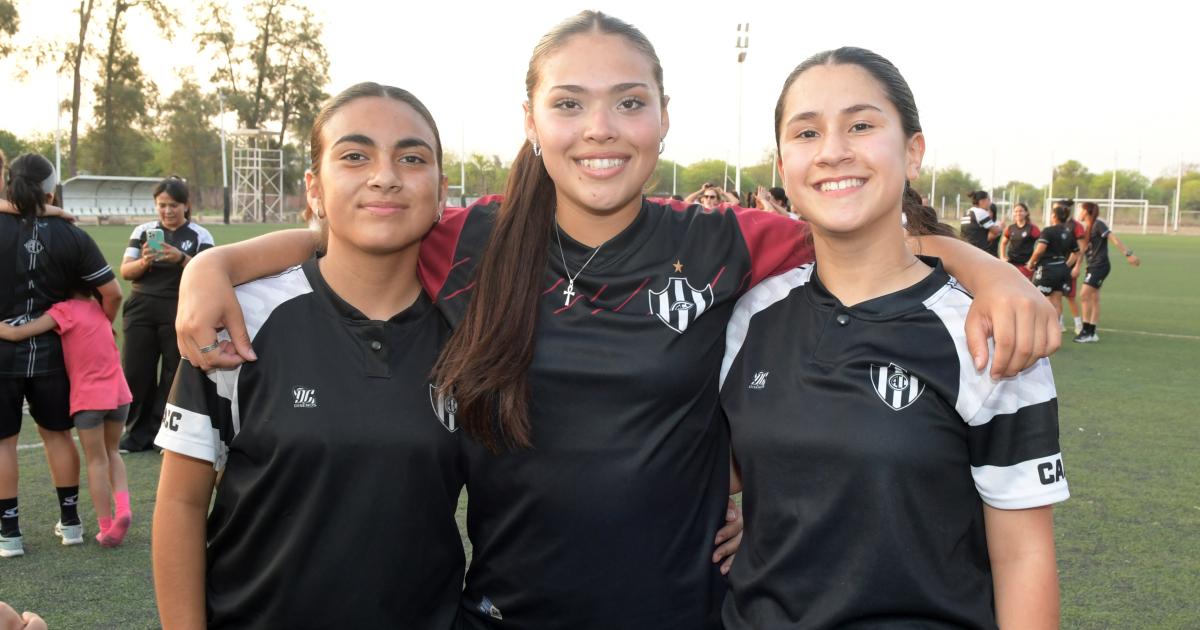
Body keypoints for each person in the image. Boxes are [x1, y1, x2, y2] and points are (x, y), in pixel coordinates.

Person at [173, 11, 1058, 628]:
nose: (600, 129)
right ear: (531, 121)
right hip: (504, 614)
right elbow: (360, 226)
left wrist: (989, 270)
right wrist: (217, 264)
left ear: (664, 120)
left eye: (630, 102)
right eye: (568, 104)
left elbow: (859, 231)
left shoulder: (725, 243)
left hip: (683, 615)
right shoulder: (472, 241)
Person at [721, 46, 1067, 629]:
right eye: (807, 132)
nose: (833, 150)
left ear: (913, 152)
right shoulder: (751, 315)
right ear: (783, 166)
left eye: (861, 125)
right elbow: (737, 466)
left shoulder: (985, 330)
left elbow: (1023, 557)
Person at [152, 83, 467, 628]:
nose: (385, 176)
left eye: (412, 158)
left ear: (442, 191)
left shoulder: (474, 332)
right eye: (355, 156)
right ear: (315, 189)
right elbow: (181, 503)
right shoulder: (239, 316)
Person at [1, 154, 122, 558]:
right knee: (57, 435)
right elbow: (112, 293)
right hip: (54, 351)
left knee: (3, 442)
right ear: (51, 191)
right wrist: (100, 327)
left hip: (2, 351)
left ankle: (9, 534)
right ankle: (71, 524)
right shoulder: (72, 233)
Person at [0, 286, 133, 548]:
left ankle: (106, 526)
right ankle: (122, 509)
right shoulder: (98, 308)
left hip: (90, 400)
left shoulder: (63, 311)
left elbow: (17, 333)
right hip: (120, 394)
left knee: (96, 461)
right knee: (112, 452)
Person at [117, 177, 214, 453]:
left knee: (173, 373)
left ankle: (166, 435)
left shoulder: (200, 235)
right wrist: (145, 260)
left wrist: (180, 258)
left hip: (178, 307)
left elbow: (208, 272)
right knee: (137, 371)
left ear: (186, 205)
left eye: (173, 205)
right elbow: (125, 271)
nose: (167, 211)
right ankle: (136, 434)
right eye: (162, 205)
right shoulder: (143, 231)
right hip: (141, 307)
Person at [1074, 201, 1140, 343]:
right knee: (1094, 298)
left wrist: (1128, 254)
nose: (1078, 212)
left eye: (1080, 210)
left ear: (1086, 212)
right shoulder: (1087, 228)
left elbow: (1114, 239)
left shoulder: (1098, 224)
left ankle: (1086, 331)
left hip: (1100, 266)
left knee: (1084, 295)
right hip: (1092, 266)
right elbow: (1083, 250)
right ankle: (1092, 332)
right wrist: (1077, 266)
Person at [1027, 203, 1081, 325]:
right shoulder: (1068, 232)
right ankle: (1055, 330)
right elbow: (1077, 253)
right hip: (1062, 270)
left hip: (1047, 270)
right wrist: (1066, 265)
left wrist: (1031, 262)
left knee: (1037, 299)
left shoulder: (1048, 231)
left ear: (1054, 216)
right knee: (1056, 302)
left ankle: (1039, 329)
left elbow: (1040, 250)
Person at [1000, 202, 1040, 279]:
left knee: (1024, 286)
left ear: (1026, 213)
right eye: (1016, 211)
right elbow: (1003, 243)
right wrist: (1002, 257)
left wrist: (1033, 261)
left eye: (1021, 211)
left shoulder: (1032, 228)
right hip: (1011, 264)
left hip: (1025, 265)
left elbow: (1041, 245)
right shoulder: (1010, 228)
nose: (1018, 213)